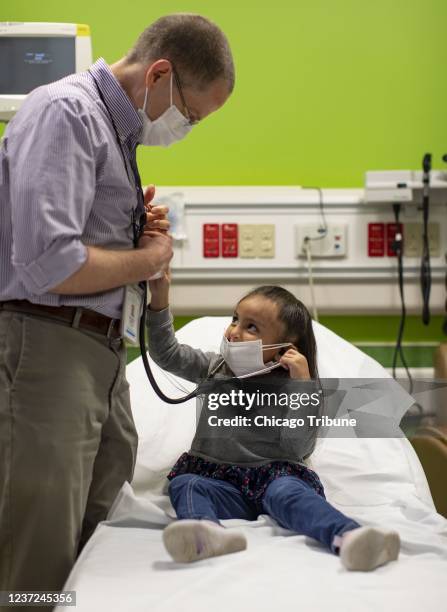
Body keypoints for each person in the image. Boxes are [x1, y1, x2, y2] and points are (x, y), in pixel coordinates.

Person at [0, 13, 235, 600]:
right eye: (193, 115)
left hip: (100, 351)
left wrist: (131, 238)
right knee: (40, 551)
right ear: (159, 74)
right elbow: (49, 262)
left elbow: (81, 246)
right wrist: (149, 259)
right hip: (49, 347)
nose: (186, 129)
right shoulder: (66, 112)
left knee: (97, 538)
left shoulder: (115, 134)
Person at [147, 279, 400, 571]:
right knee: (186, 483)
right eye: (235, 320)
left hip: (273, 480)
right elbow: (165, 353)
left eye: (251, 327)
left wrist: (302, 386)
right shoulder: (213, 369)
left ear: (284, 349)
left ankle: (350, 537)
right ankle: (205, 536)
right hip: (220, 483)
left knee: (289, 494)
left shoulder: (296, 389)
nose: (235, 332)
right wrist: (160, 299)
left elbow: (298, 447)